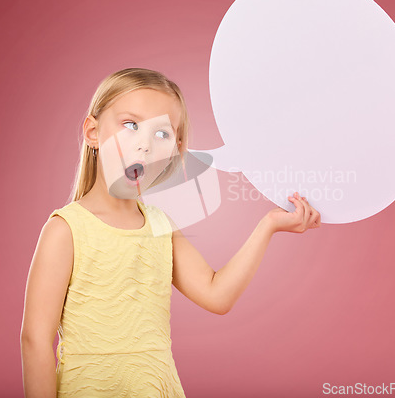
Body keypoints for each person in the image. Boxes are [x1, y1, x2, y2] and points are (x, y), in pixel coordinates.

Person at [20, 68, 321, 397]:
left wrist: (269, 226)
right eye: (131, 125)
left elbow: (217, 295)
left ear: (176, 151)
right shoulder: (66, 229)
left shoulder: (161, 226)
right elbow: (35, 339)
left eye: (161, 134)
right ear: (93, 132)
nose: (144, 146)